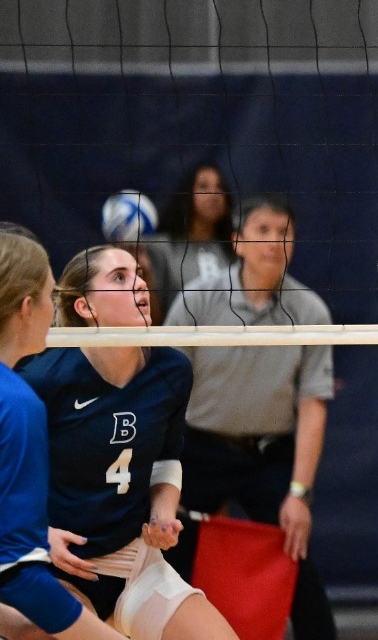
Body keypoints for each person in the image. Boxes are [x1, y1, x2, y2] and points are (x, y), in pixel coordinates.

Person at [0, 246, 238, 640]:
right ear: (85, 307)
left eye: (139, 273)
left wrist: (163, 512)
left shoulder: (172, 369)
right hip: (63, 565)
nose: (140, 284)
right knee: (40, 631)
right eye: (120, 277)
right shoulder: (43, 379)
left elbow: (167, 457)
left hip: (135, 561)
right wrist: (38, 534)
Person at [161, 196, 336, 640]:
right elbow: (165, 392)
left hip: (267, 455)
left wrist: (299, 494)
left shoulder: (310, 310)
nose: (274, 241)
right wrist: (163, 476)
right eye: (263, 230)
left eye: (284, 232)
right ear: (237, 241)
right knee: (166, 550)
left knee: (296, 554)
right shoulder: (197, 300)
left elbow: (313, 406)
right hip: (199, 450)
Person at [0, 228, 127, 640]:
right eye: (50, 297)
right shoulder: (17, 404)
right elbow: (17, 574)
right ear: (26, 308)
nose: (55, 312)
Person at [151, 166, 234, 326]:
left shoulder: (235, 248)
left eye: (220, 187)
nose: (214, 194)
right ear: (186, 194)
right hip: (176, 337)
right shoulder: (161, 248)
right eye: (203, 186)